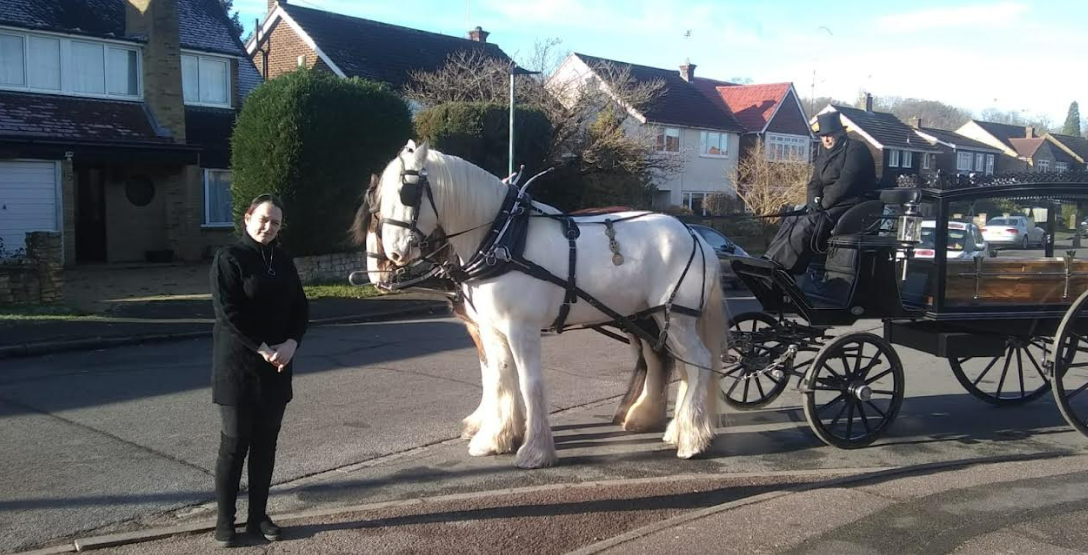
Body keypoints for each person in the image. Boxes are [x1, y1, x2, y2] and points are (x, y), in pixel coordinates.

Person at [210, 193, 308, 548]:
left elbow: (301, 308)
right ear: (248, 218)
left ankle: (258, 516)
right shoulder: (229, 258)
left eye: (275, 222)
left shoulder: (282, 260)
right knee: (235, 444)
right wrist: (264, 348)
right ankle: (225, 521)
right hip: (238, 367)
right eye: (263, 219)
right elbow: (228, 313)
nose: (268, 227)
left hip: (277, 366)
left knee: (266, 445)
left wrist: (292, 343)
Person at [765, 111, 877, 273]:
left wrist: (822, 206)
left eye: (830, 135)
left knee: (811, 221)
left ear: (840, 133)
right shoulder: (823, 153)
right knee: (793, 217)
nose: (826, 139)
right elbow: (814, 183)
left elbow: (845, 183)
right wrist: (813, 202)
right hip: (828, 201)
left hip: (852, 201)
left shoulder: (856, 149)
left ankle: (782, 266)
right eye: (823, 136)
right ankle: (770, 258)